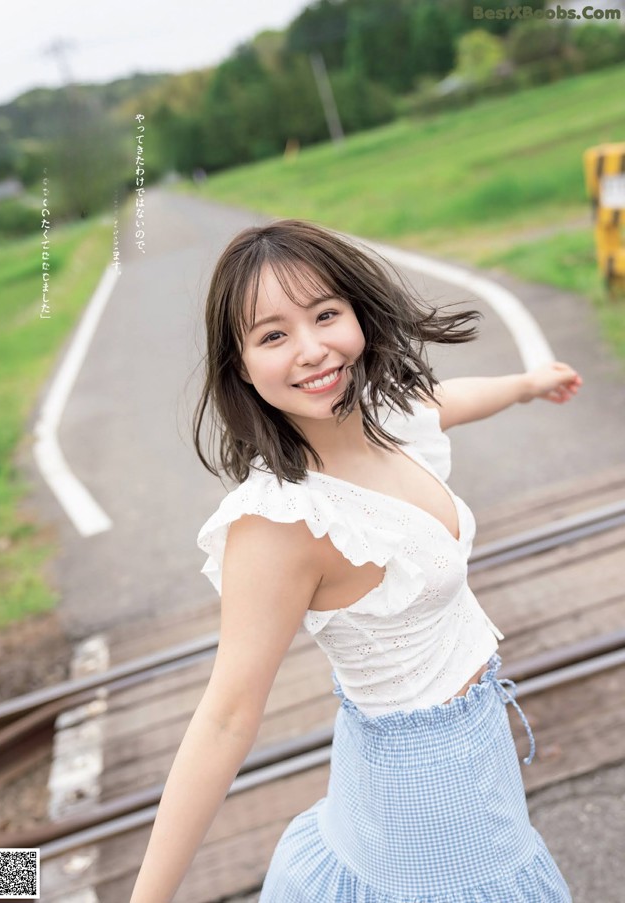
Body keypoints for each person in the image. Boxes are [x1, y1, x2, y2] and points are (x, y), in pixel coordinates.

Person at [130, 219, 581, 902]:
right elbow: (225, 717)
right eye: (273, 335)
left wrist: (527, 383)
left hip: (465, 751)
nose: (312, 349)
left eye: (325, 314)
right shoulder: (283, 522)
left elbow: (447, 402)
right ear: (241, 365)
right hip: (426, 804)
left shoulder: (382, 417)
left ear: (357, 315)